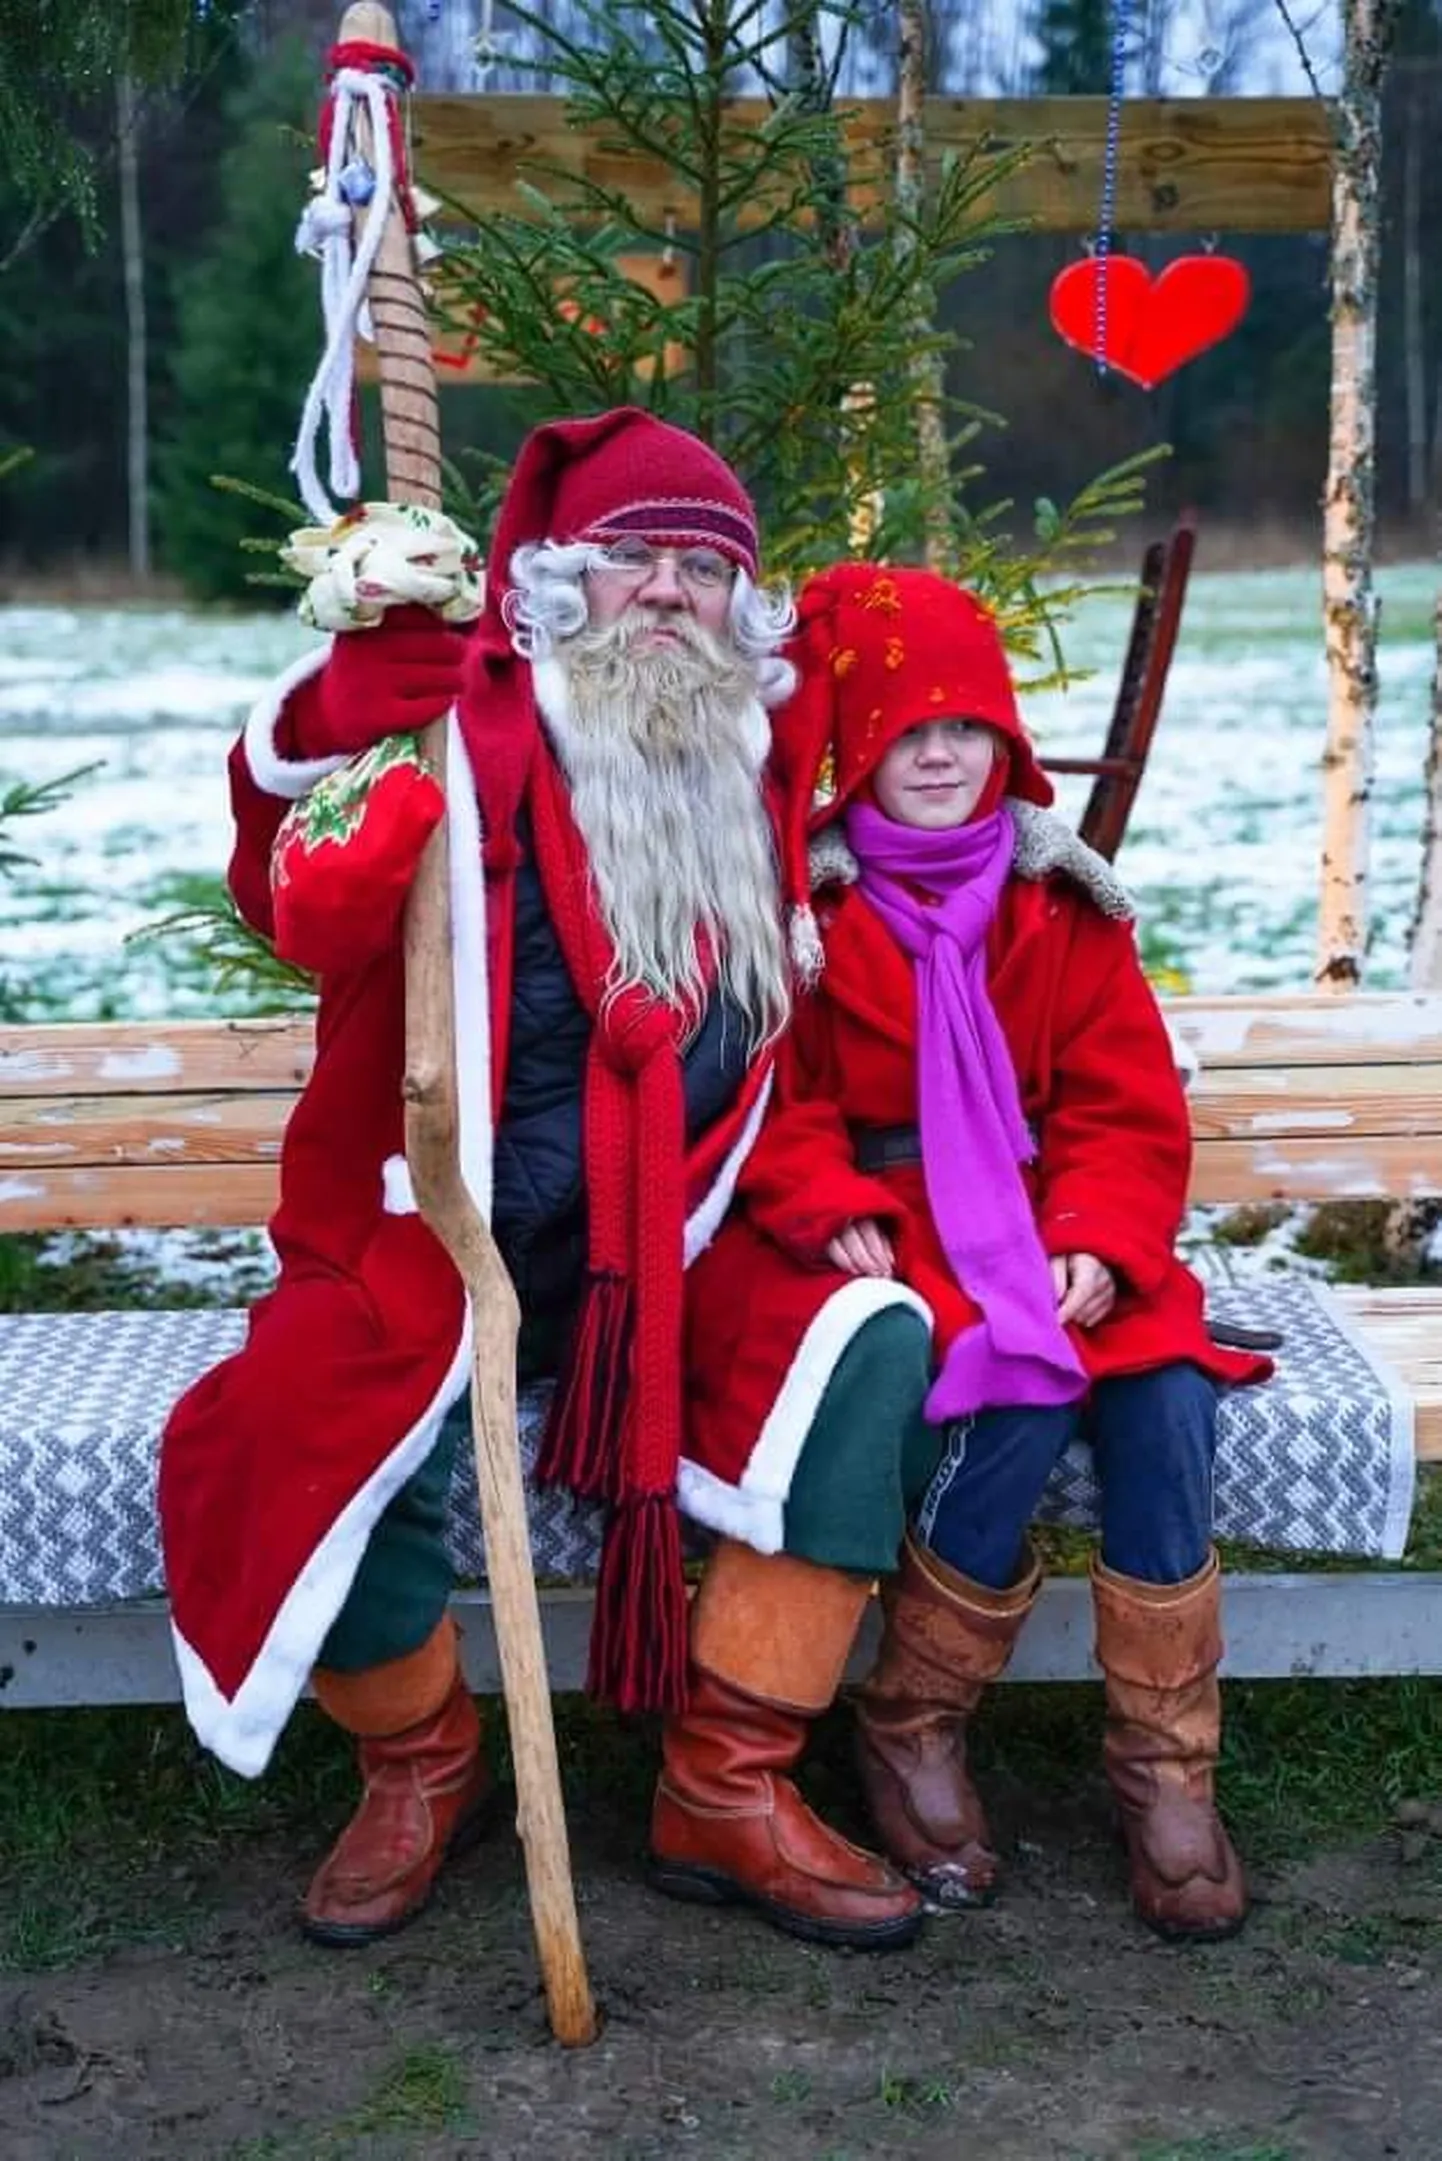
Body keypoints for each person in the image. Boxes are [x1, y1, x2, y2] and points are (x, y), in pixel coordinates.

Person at [159, 411, 929, 1953]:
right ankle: (420, 1763)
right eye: (630, 557)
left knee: (867, 1341)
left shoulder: (753, 762)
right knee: (304, 1413)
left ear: (743, 607)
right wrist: (336, 717)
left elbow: (771, 1052)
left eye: (702, 568)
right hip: (437, 1227)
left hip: (675, 1233)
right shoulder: (458, 726)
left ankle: (727, 1777)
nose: (665, 591)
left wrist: (799, 1192)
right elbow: (291, 899)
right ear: (555, 586)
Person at [692, 561, 1271, 1943]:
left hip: (1047, 1222)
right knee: (1010, 1384)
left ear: (1003, 747)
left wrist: (1100, 1240)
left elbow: (1124, 1108)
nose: (938, 756)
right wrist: (821, 1195)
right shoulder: (807, 920)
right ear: (855, 758)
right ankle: (913, 1718)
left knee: (1159, 1392)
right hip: (905, 1239)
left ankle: (1163, 1767)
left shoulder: (1060, 908)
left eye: (965, 731)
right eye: (903, 733)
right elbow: (768, 1090)